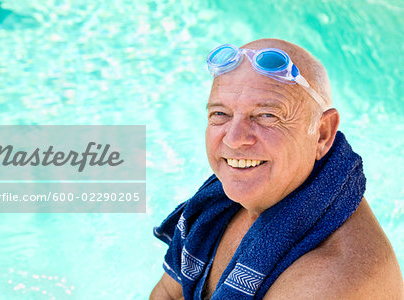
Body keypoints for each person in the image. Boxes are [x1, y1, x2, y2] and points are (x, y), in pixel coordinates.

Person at [150, 38, 403, 299]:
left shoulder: (329, 281)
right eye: (220, 114)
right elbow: (167, 294)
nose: (234, 139)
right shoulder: (216, 206)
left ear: (322, 134)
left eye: (267, 116)